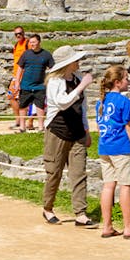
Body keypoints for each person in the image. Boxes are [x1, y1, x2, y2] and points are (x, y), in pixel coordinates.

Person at [41, 45, 94, 227]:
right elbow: (63, 103)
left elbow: (83, 108)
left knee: (79, 173)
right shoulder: (55, 82)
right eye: (76, 60)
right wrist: (81, 86)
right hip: (57, 132)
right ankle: (47, 208)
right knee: (54, 172)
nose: (79, 62)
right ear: (68, 63)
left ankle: (80, 213)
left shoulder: (77, 78)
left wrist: (86, 130)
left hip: (77, 132)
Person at [95, 66, 130, 239]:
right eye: (126, 79)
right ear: (118, 82)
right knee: (125, 185)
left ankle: (107, 226)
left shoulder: (100, 102)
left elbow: (100, 126)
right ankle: (128, 228)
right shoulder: (124, 102)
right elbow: (129, 127)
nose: (128, 82)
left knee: (108, 185)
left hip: (104, 147)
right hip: (121, 147)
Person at [16, 34, 54, 132]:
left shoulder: (46, 55)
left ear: (39, 42)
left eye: (34, 42)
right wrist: (17, 82)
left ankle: (41, 127)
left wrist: (49, 81)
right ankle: (22, 127)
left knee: (40, 106)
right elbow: (20, 68)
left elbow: (53, 69)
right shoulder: (26, 54)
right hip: (25, 85)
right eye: (30, 42)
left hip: (40, 86)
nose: (31, 44)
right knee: (23, 106)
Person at [7, 25, 26, 129]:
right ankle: (18, 119)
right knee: (11, 96)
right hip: (16, 75)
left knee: (27, 98)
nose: (18, 35)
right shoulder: (16, 45)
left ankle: (28, 121)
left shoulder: (27, 44)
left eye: (20, 33)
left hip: (25, 75)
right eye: (16, 34)